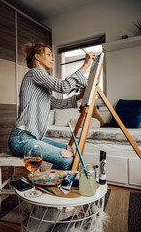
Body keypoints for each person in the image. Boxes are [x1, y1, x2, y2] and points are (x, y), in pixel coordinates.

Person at [8, 42, 96, 170]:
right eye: (48, 54)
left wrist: (79, 96)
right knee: (69, 160)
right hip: (22, 139)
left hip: (34, 138)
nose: (53, 58)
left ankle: (51, 181)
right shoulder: (35, 73)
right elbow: (63, 86)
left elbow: (56, 103)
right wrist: (85, 65)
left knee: (68, 149)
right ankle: (52, 184)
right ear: (37, 56)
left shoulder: (41, 80)